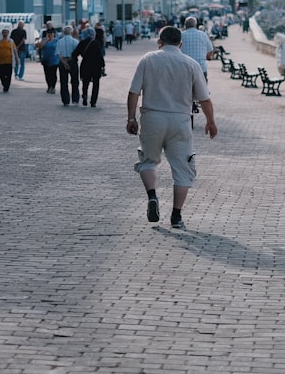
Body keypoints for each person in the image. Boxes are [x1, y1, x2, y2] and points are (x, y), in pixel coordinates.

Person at [127, 25, 218, 230]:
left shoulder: (148, 59)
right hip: (180, 120)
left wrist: (131, 118)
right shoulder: (190, 64)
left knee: (148, 160)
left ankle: (152, 196)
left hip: (152, 117)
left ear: (159, 41)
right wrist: (210, 121)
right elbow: (205, 98)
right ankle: (176, 216)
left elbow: (133, 92)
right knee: (183, 169)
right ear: (181, 44)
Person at [73, 26, 105, 107]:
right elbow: (100, 55)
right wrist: (103, 66)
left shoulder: (82, 43)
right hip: (96, 66)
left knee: (85, 82)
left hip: (85, 65)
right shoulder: (96, 43)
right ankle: (93, 101)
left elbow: (74, 54)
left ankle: (85, 96)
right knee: (96, 84)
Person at [180, 16, 215, 81]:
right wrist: (207, 57)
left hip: (185, 69)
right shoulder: (203, 35)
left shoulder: (181, 35)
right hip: (201, 68)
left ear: (185, 25)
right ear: (196, 25)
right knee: (202, 90)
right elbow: (210, 50)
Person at [56, 25, 80, 106]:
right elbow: (78, 53)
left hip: (63, 62)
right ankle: (75, 99)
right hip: (72, 62)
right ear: (71, 32)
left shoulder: (59, 41)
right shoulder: (75, 41)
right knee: (75, 81)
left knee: (63, 81)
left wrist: (63, 61)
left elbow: (58, 53)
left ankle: (65, 100)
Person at [36, 28, 60, 93]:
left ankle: (53, 87)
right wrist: (46, 39)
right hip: (46, 60)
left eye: (51, 33)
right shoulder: (44, 40)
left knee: (53, 74)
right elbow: (40, 46)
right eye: (48, 33)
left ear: (54, 34)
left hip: (54, 60)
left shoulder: (56, 41)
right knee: (47, 74)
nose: (50, 34)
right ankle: (49, 86)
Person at [0, 28, 17, 93]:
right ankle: (4, 84)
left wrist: (17, 58)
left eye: (6, 32)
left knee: (8, 74)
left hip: (9, 61)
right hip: (0, 61)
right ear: (2, 33)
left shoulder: (11, 41)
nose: (5, 34)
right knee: (1, 75)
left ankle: (7, 87)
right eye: (4, 32)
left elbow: (14, 50)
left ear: (8, 33)